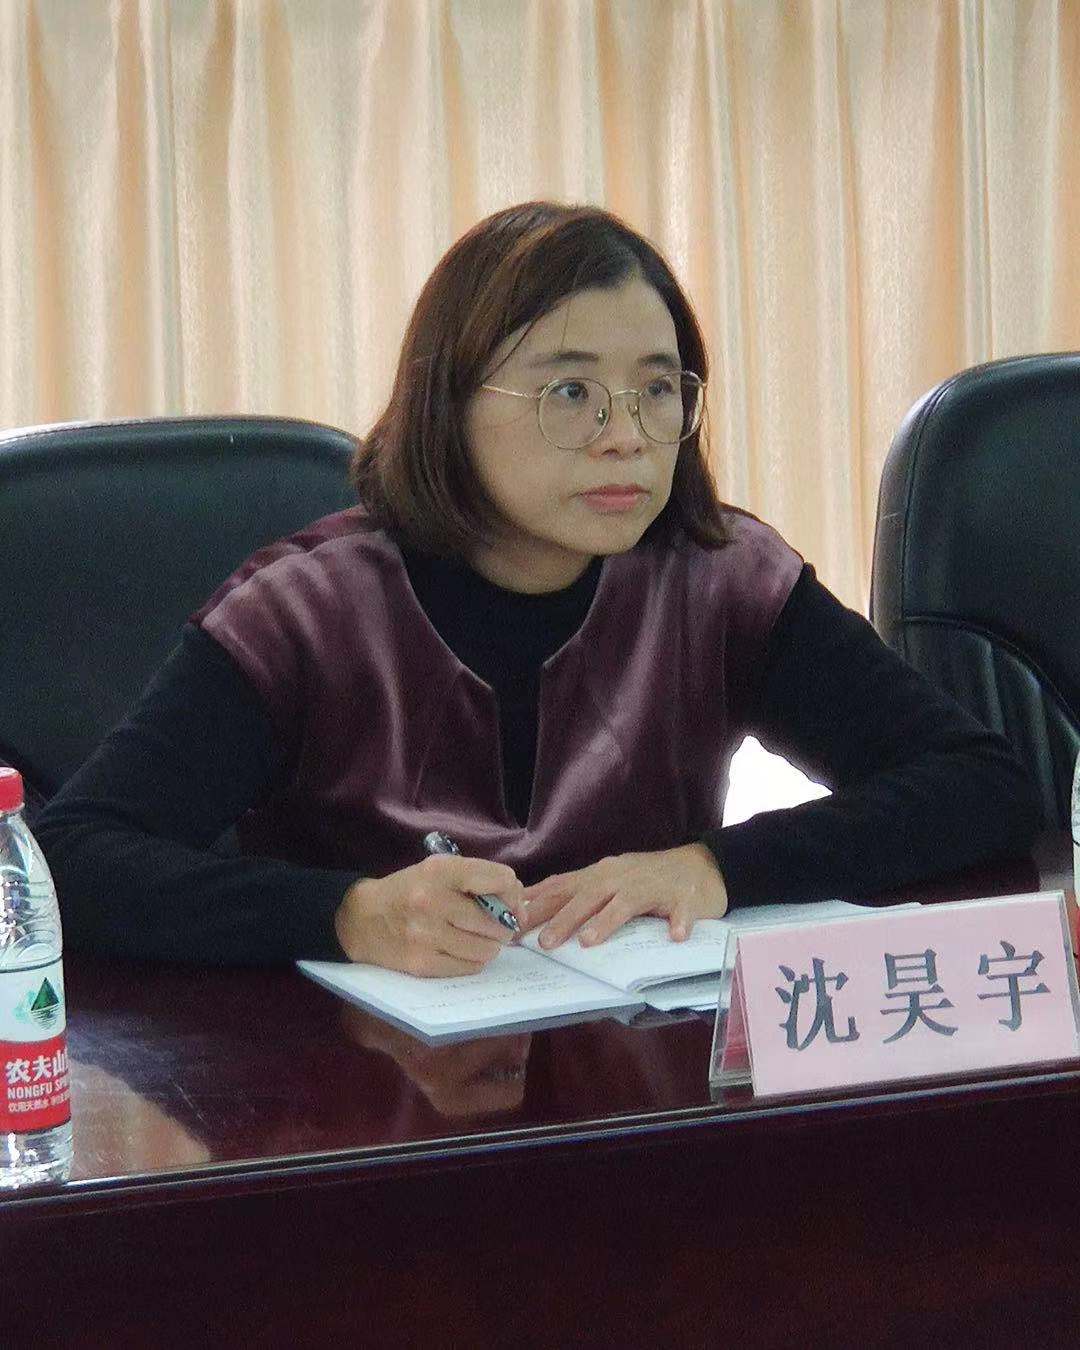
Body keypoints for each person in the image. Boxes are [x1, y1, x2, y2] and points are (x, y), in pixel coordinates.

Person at [35, 201, 1041, 972]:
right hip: (361, 1103)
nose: (626, 435)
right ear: (450, 402)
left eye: (657, 389)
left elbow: (979, 783)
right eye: (571, 392)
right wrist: (343, 913)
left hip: (642, 1082)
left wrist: (715, 868)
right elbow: (69, 861)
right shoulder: (306, 614)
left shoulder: (719, 580)